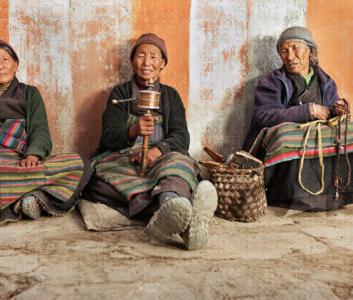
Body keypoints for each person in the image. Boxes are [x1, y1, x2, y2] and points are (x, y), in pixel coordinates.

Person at [86, 33, 217, 250]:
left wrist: (158, 151)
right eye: (141, 56)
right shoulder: (120, 93)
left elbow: (181, 136)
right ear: (132, 61)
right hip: (124, 157)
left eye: (154, 57)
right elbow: (109, 135)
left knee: (179, 166)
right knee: (100, 181)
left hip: (162, 158)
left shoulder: (171, 96)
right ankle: (180, 214)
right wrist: (132, 131)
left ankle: (170, 207)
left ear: (163, 63)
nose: (147, 63)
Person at [0, 39, 90, 230]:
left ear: (15, 65)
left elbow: (40, 130)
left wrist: (33, 154)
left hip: (18, 162)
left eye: (6, 59)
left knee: (77, 163)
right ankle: (28, 196)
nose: (0, 65)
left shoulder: (30, 93)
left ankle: (9, 195)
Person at [243, 26, 352, 211]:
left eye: (295, 48)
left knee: (349, 130)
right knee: (284, 135)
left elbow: (331, 110)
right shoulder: (271, 82)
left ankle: (340, 191)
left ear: (310, 51)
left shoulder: (326, 82)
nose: (290, 56)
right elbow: (264, 116)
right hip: (290, 140)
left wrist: (339, 110)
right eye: (284, 51)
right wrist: (309, 111)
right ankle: (287, 196)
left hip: (318, 138)